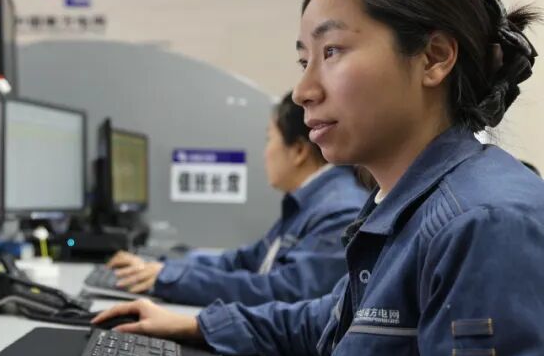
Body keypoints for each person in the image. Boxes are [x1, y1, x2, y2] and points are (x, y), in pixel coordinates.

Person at [91, 0, 544, 356]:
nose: (305, 89)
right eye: (304, 59)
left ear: (434, 57)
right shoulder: (409, 207)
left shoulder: (485, 226)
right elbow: (328, 325)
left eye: (332, 52)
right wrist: (196, 326)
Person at [107, 94, 368, 306]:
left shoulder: (338, 211)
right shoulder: (313, 201)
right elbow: (244, 260)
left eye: (269, 139)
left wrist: (172, 278)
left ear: (299, 150)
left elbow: (285, 292)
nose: (265, 152)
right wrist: (162, 267)